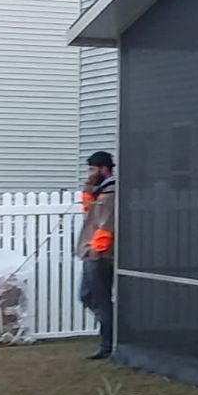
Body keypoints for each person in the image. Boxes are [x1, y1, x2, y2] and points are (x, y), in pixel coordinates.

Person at [76, 150, 116, 360]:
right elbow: (88, 209)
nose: (90, 173)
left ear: (104, 168)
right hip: (91, 251)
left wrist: (96, 251)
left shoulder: (111, 193)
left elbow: (106, 225)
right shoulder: (100, 190)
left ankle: (109, 343)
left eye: (93, 169)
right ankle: (114, 330)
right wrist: (88, 187)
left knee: (100, 299)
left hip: (99, 255)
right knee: (87, 296)